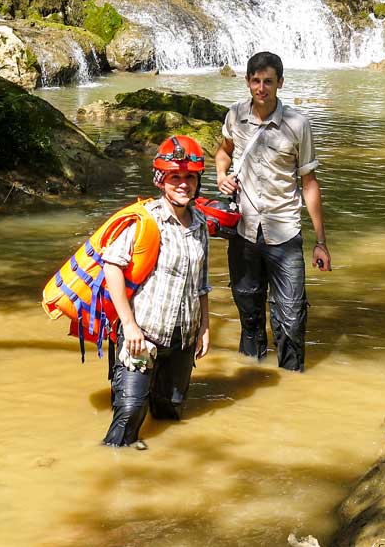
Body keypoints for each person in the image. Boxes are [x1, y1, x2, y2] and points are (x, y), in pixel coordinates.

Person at [215, 51, 329, 372]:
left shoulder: (297, 124)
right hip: (244, 233)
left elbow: (309, 183)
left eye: (268, 81)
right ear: (247, 82)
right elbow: (223, 153)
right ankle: (252, 388)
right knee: (249, 319)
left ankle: (292, 387)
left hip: (284, 232)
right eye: (255, 81)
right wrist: (222, 176)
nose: (261, 88)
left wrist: (320, 241)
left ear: (280, 82)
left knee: (291, 320)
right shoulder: (235, 116)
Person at [101, 135, 212, 447]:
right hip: (143, 335)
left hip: (182, 337)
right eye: (174, 177)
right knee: (130, 413)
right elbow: (112, 267)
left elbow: (201, 281)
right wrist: (129, 325)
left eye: (189, 177)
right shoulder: (145, 220)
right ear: (161, 181)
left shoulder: (200, 222)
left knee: (168, 411)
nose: (183, 184)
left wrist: (204, 327)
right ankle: (112, 467)